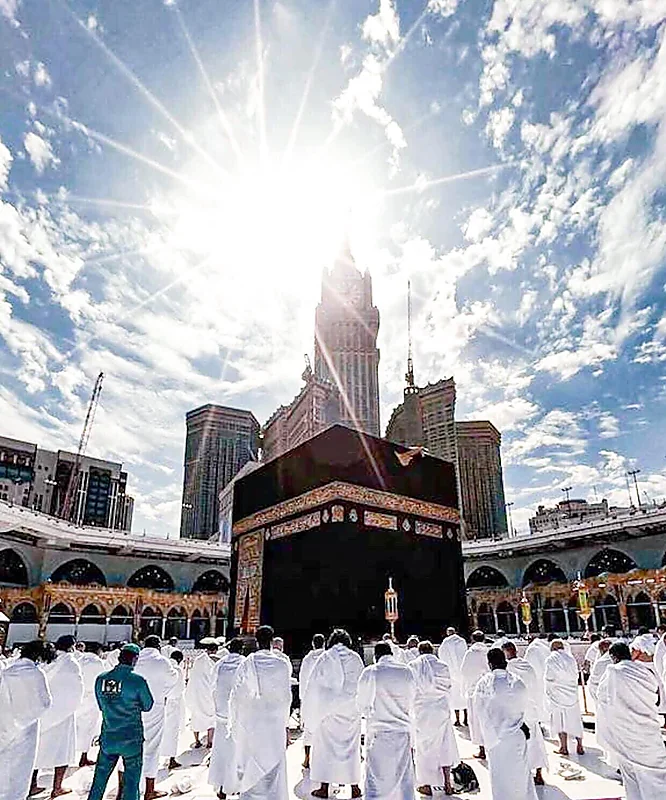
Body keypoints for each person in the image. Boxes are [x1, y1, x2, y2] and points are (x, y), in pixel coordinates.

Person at [598, 637, 666, 799]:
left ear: (613, 657)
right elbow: (655, 697)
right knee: (656, 774)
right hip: (648, 732)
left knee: (630, 775)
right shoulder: (645, 672)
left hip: (624, 734)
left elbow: (602, 697)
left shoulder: (612, 672)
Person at [228, 625, 291, 799]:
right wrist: (285, 722)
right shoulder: (282, 664)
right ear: (272, 641)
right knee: (274, 760)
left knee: (252, 760)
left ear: (256, 641)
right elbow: (286, 697)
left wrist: (237, 720)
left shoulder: (247, 663)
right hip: (274, 720)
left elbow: (237, 694)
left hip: (252, 720)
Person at [87, 643, 154, 800]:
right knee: (131, 782)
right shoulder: (138, 681)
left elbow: (101, 706)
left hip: (109, 737)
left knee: (99, 780)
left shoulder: (101, 679)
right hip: (131, 739)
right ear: (135, 659)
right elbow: (148, 706)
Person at [472, 648, 537, 800]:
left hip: (496, 739)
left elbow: (480, 710)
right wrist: (523, 725)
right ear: (505, 662)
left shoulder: (484, 684)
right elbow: (527, 707)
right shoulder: (518, 682)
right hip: (517, 736)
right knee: (521, 776)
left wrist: (489, 736)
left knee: (501, 779)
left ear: (490, 664)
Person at [309, 628, 364, 799]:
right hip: (351, 710)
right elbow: (362, 683)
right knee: (351, 748)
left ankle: (324, 787)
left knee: (326, 749)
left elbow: (314, 684)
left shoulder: (325, 657)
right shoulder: (355, 658)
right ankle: (354, 787)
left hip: (329, 710)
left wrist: (312, 711)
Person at [357, 641, 416, 800]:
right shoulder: (407, 671)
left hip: (379, 733)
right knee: (403, 779)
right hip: (402, 732)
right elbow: (412, 699)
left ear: (376, 655)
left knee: (376, 780)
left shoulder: (371, 672)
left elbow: (361, 704)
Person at [31, 634, 85, 799]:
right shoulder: (71, 663)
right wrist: (71, 706)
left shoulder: (48, 661)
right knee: (62, 752)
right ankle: (57, 787)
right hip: (63, 715)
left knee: (37, 750)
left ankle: (32, 784)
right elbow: (77, 689)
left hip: (42, 714)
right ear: (71, 647)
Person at [0, 640, 53, 800]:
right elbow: (45, 703)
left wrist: (13, 719)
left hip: (5, 724)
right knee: (20, 771)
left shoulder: (7, 672)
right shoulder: (36, 674)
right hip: (27, 729)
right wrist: (25, 717)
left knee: (3, 766)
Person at [410, 640, 458, 796]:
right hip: (441, 710)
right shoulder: (443, 666)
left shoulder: (413, 666)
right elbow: (448, 687)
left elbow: (411, 690)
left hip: (422, 711)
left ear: (419, 651)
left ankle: (426, 785)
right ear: (432, 651)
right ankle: (447, 784)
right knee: (445, 745)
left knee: (424, 749)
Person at [134, 634, 179, 799]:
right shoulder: (162, 662)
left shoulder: (134, 659)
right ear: (159, 646)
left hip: (133, 708)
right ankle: (149, 790)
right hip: (154, 708)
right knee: (152, 747)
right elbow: (173, 679)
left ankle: (122, 789)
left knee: (130, 746)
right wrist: (161, 693)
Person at [502, 641, 547, 786]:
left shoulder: (507, 669)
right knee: (536, 742)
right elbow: (536, 687)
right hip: (531, 710)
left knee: (519, 744)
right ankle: (539, 774)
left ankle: (524, 774)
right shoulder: (528, 666)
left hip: (518, 712)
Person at [209, 638, 245, 799]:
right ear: (242, 649)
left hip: (221, 716)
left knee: (221, 751)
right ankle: (236, 786)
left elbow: (212, 687)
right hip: (239, 716)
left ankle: (222, 787)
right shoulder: (245, 664)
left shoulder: (219, 664)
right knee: (238, 752)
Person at [544, 639, 584, 756]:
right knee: (575, 719)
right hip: (572, 694)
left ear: (553, 648)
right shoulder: (571, 659)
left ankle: (563, 747)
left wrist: (549, 688)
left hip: (557, 694)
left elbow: (549, 677)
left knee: (560, 720)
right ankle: (580, 745)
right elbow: (575, 676)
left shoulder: (551, 659)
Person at [75, 642, 106, 768]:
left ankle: (70, 756)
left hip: (78, 698)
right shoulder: (98, 663)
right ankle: (83, 757)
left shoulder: (78, 660)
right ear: (98, 651)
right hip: (92, 699)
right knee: (88, 729)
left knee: (75, 728)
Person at [459, 629, 488, 759]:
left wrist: (466, 687)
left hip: (474, 691)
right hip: (488, 691)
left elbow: (464, 671)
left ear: (472, 640)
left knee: (476, 721)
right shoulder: (488, 651)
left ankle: (482, 749)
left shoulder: (470, 654)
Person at [298, 633, 326, 770]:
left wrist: (302, 699)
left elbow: (303, 679)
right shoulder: (328, 658)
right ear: (324, 643)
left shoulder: (307, 659)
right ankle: (323, 759)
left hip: (310, 698)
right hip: (325, 698)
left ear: (313, 644)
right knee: (325, 730)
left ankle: (307, 758)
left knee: (309, 730)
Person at [186, 638, 219, 748]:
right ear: (215, 650)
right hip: (208, 694)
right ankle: (210, 742)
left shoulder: (198, 660)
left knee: (196, 717)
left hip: (197, 692)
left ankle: (197, 741)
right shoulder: (214, 661)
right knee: (211, 718)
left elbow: (193, 675)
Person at [587, 640, 613, 764]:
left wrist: (598, 698)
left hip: (604, 703)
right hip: (617, 702)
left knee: (607, 728)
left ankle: (610, 756)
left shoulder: (601, 663)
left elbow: (592, 683)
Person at [437, 626, 468, 727]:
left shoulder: (445, 642)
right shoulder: (462, 641)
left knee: (455, 697)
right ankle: (466, 719)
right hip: (462, 673)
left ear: (448, 633)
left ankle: (457, 720)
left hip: (452, 673)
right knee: (463, 695)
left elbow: (442, 655)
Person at [161, 650, 186, 771]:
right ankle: (171, 759)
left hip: (161, 703)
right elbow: (180, 688)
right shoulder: (177, 670)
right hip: (173, 703)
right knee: (172, 732)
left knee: (159, 731)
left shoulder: (163, 668)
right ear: (179, 660)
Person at [524, 635, 550, 726]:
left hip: (536, 679)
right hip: (546, 677)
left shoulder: (532, 649)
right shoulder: (544, 646)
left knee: (539, 700)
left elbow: (527, 666)